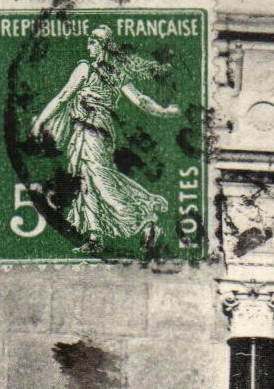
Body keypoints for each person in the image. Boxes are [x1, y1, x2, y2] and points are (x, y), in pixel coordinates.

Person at [28, 27, 179, 253]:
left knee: (99, 179)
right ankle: (95, 236)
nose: (89, 47)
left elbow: (63, 98)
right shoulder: (109, 72)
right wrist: (165, 111)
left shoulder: (90, 69)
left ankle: (147, 219)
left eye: (92, 42)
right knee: (85, 180)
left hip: (94, 130)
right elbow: (141, 101)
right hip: (84, 131)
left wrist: (40, 122)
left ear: (102, 45)